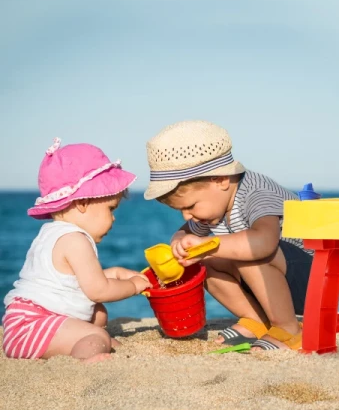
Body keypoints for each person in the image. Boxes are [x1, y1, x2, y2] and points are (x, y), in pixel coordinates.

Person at [144, 120, 313, 350]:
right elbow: (186, 232)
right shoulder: (213, 207)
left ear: (221, 180)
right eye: (181, 210)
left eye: (191, 206)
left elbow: (263, 243)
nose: (187, 216)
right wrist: (179, 244)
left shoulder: (257, 193)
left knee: (248, 251)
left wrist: (210, 245)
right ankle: (256, 319)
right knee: (202, 260)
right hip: (269, 284)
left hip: (310, 280)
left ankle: (287, 329)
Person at [2, 138, 151, 363]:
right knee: (96, 333)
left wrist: (118, 272)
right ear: (82, 202)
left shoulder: (53, 233)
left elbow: (73, 282)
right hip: (31, 326)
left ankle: (94, 342)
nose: (113, 218)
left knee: (98, 313)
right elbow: (98, 290)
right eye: (110, 209)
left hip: (26, 322)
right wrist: (133, 286)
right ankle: (86, 362)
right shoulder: (75, 240)